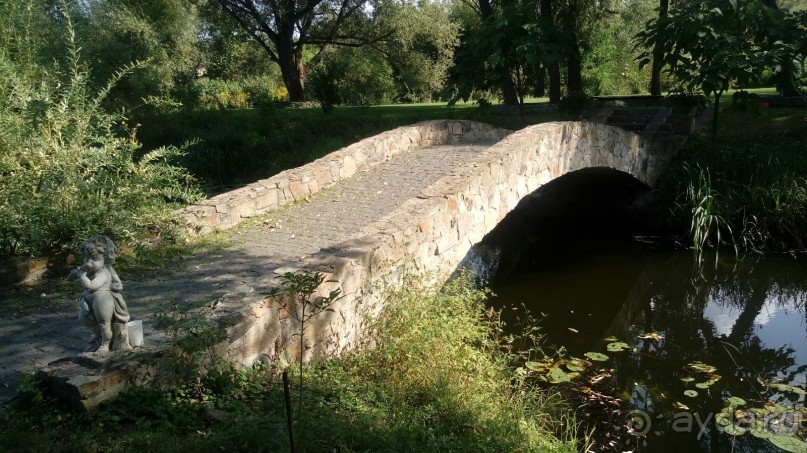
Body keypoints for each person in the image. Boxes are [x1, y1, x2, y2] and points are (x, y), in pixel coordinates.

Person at [68, 236, 131, 354]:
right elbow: (70, 278)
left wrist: (81, 275)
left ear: (105, 259)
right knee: (85, 319)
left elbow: (91, 286)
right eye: (86, 257)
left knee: (104, 323)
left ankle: (105, 343)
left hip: (102, 300)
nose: (89, 262)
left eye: (94, 259)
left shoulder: (104, 272)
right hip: (87, 299)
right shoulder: (90, 271)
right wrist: (74, 274)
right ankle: (98, 336)